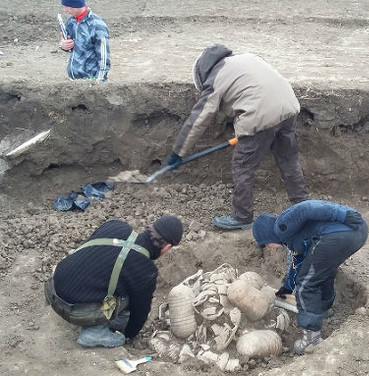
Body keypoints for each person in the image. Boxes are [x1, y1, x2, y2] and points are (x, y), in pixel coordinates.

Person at [166, 44, 309, 231]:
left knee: (243, 165)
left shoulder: (215, 77)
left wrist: (178, 151)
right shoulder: (247, 58)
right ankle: (304, 206)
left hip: (261, 113)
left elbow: (199, 117)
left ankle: (242, 216)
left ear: (203, 72)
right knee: (289, 160)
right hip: (289, 106)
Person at [45, 215, 184, 348]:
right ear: (167, 247)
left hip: (52, 290)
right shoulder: (146, 270)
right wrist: (130, 334)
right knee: (127, 299)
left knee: (113, 280)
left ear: (150, 227)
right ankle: (95, 332)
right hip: (74, 311)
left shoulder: (115, 225)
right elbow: (139, 312)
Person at [252, 200, 368, 355]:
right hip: (356, 232)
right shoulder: (292, 238)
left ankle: (312, 339)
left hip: (341, 232)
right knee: (321, 273)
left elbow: (307, 208)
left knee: (306, 286)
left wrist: (341, 215)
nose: (268, 248)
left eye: (265, 244)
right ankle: (323, 309)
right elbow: (300, 265)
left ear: (267, 235)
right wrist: (287, 287)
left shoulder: (281, 226)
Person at [58, 0, 110, 82]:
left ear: (77, 5)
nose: (65, 10)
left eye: (68, 7)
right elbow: (68, 46)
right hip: (73, 80)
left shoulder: (97, 25)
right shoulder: (71, 21)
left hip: (90, 81)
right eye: (64, 6)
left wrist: (99, 83)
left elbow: (104, 58)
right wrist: (63, 45)